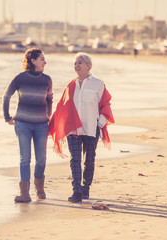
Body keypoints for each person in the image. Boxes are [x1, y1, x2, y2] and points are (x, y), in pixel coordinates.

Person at [49, 52, 114, 203]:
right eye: (75, 63)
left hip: (92, 128)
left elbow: (106, 104)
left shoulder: (98, 84)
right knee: (75, 159)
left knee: (89, 160)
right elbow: (62, 107)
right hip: (73, 129)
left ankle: (86, 188)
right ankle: (76, 190)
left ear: (88, 65)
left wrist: (99, 124)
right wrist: (54, 124)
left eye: (80, 62)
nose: (76, 65)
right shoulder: (70, 85)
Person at [2, 48, 53, 203]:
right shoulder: (20, 78)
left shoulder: (47, 80)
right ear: (33, 61)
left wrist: (48, 115)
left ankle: (40, 189)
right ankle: (24, 194)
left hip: (41, 126)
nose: (45, 62)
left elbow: (50, 99)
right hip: (22, 124)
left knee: (41, 159)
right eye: (42, 59)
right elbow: (6, 96)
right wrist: (7, 117)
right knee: (25, 158)